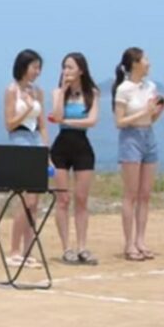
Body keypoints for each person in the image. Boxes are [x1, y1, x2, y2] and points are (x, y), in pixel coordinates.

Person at [113, 47, 164, 262]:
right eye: (145, 59)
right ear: (134, 63)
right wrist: (144, 112)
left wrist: (157, 112)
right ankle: (129, 244)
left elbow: (150, 118)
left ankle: (141, 240)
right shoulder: (123, 89)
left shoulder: (150, 86)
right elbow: (119, 122)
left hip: (148, 135)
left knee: (145, 194)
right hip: (130, 138)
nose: (148, 63)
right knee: (131, 193)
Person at [49, 52, 100, 266]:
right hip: (61, 148)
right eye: (64, 67)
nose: (66, 71)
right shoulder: (57, 92)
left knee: (81, 199)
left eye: (70, 67)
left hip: (82, 147)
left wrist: (68, 121)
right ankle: (66, 248)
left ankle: (82, 246)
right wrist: (62, 91)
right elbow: (56, 116)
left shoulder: (92, 93)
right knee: (63, 199)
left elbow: (92, 121)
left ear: (81, 70)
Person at [2, 49, 49, 268]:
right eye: (34, 67)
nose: (37, 72)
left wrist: (46, 150)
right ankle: (14, 250)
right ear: (23, 67)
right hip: (19, 138)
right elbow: (9, 124)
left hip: (36, 139)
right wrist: (26, 110)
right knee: (24, 199)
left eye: (39, 68)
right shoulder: (12, 90)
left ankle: (28, 249)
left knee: (35, 201)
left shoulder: (38, 91)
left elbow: (42, 124)